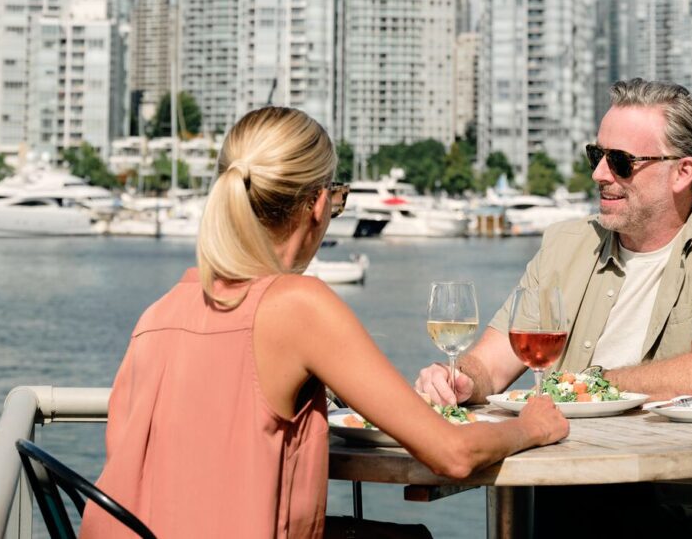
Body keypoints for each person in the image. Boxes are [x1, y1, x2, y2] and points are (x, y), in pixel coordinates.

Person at [81, 106, 567, 539]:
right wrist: (532, 426)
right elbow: (452, 454)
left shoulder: (160, 312)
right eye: (339, 199)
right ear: (318, 203)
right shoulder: (298, 304)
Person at [415, 78, 692, 538]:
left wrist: (582, 389)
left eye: (621, 161)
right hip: (567, 497)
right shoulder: (567, 242)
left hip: (689, 513)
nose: (600, 173)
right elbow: (490, 364)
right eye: (595, 155)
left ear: (683, 172)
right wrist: (458, 380)